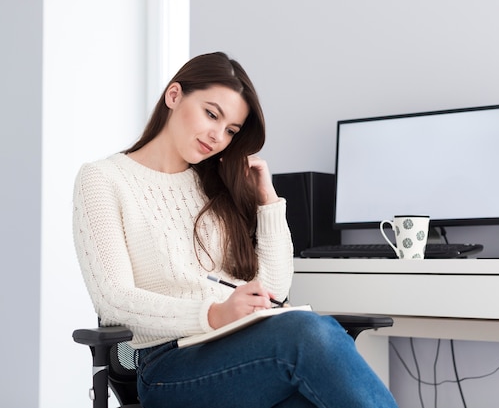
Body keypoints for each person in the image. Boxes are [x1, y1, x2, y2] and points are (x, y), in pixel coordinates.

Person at [73, 52, 398, 408]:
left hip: (242, 352)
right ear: (174, 95)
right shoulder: (104, 179)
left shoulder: (216, 185)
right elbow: (114, 300)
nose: (218, 136)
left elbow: (272, 291)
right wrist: (212, 314)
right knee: (309, 335)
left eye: (231, 130)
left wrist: (268, 202)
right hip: (168, 367)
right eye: (211, 114)